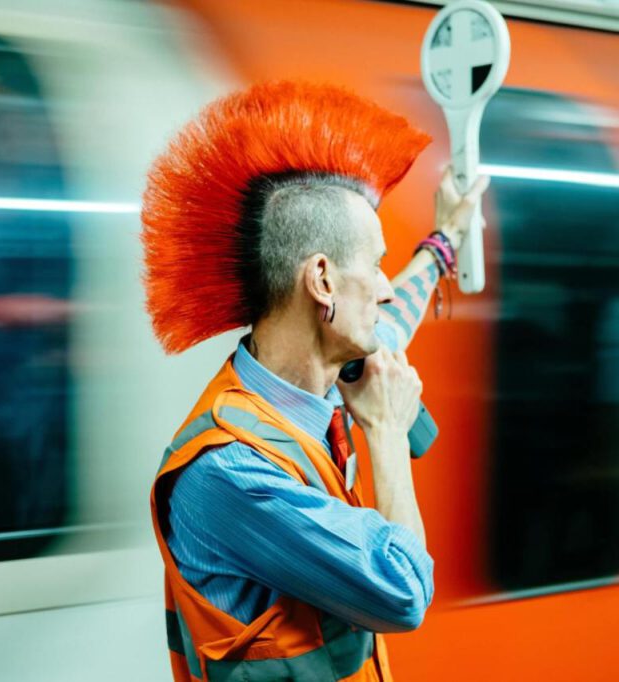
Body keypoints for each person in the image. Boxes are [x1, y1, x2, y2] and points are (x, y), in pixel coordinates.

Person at [144, 81, 488, 680]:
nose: (385, 286)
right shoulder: (228, 470)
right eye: (376, 263)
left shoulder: (320, 382)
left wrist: (443, 241)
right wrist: (383, 431)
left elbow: (393, 314)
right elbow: (402, 594)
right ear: (322, 282)